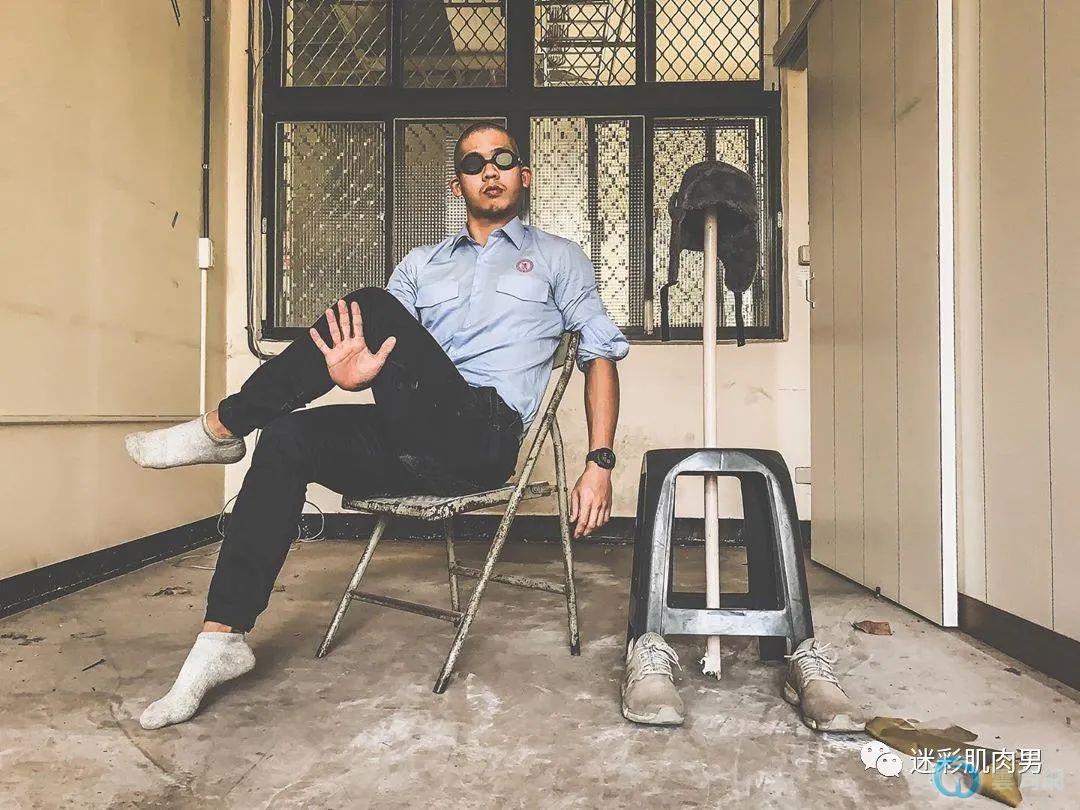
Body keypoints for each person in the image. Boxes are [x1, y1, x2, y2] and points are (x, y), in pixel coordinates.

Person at [125, 122, 629, 730]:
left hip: (479, 439)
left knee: (370, 304)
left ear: (524, 174)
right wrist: (351, 375)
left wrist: (599, 463)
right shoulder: (421, 265)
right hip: (408, 435)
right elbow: (382, 354)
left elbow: (600, 355)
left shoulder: (559, 258)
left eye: (503, 158)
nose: (490, 171)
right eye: (474, 164)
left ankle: (221, 426)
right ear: (457, 185)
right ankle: (221, 638)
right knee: (287, 436)